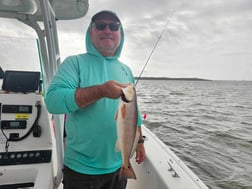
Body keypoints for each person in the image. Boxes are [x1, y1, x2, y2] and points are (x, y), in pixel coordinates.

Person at [45, 10, 145, 189]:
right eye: (100, 26)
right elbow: (52, 101)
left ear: (120, 33)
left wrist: (139, 142)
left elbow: (133, 112)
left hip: (118, 167)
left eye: (114, 26)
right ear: (90, 32)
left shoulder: (126, 70)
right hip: (81, 172)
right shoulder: (74, 63)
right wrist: (101, 91)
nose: (108, 30)